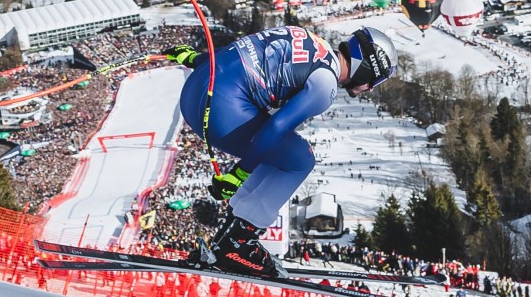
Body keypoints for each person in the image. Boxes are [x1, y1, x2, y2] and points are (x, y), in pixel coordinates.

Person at [163, 25, 398, 278]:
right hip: (218, 110)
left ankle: (231, 236)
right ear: (365, 66)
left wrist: (197, 58)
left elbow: (244, 52)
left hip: (197, 88)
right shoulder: (325, 84)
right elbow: (276, 127)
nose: (371, 88)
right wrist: (240, 172)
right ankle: (238, 245)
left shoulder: (312, 40)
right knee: (300, 159)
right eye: (376, 80)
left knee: (278, 155)